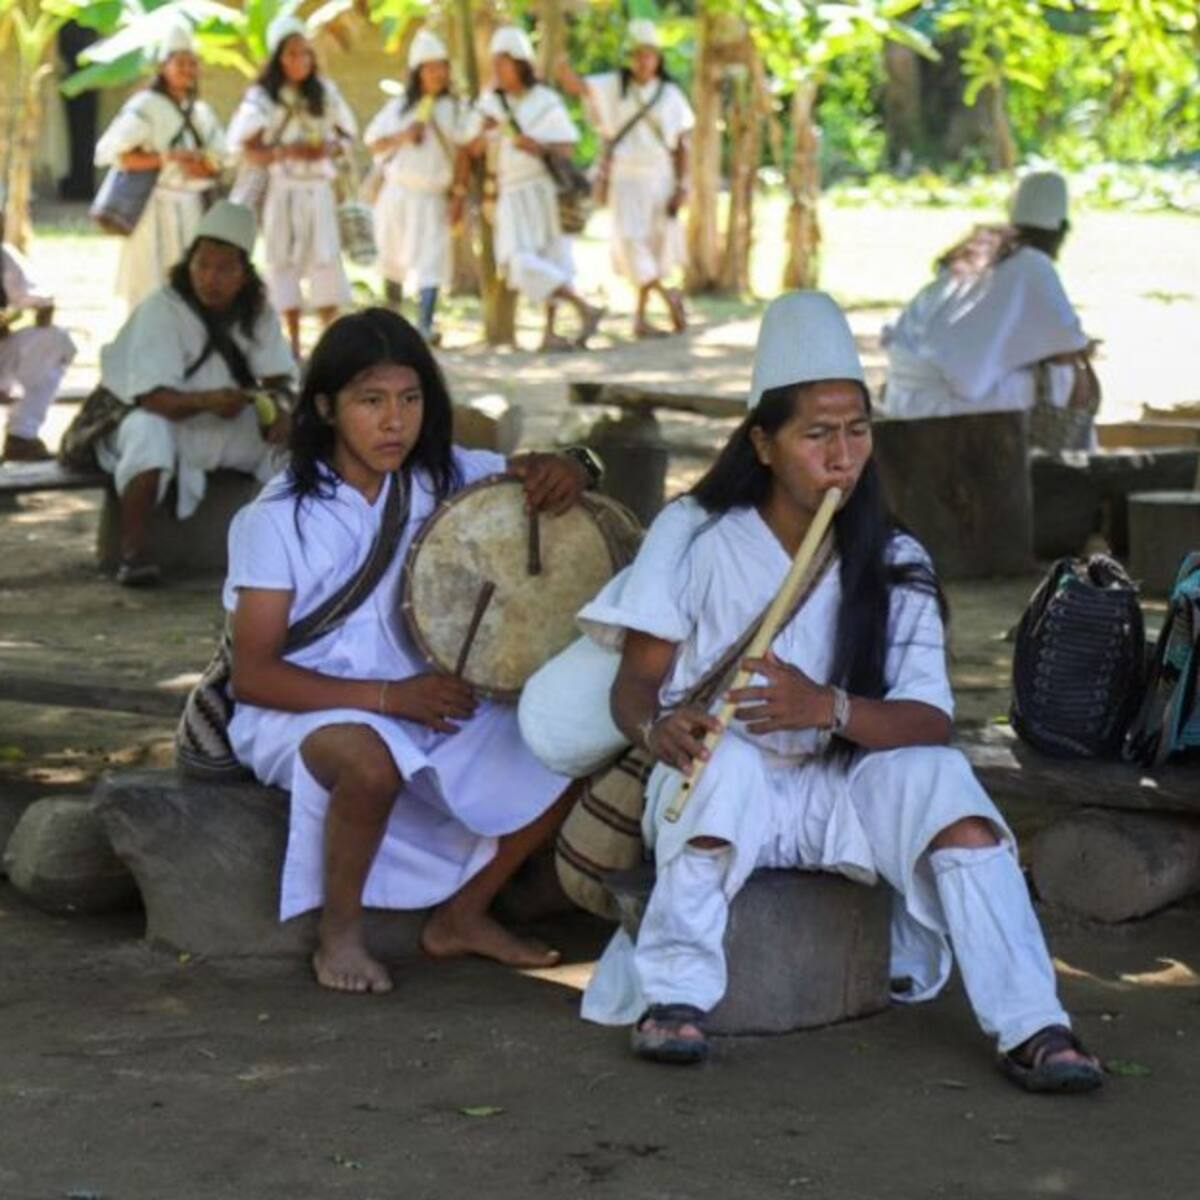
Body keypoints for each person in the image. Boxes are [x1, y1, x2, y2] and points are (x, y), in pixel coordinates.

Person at [576, 291, 1104, 1093]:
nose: (842, 456)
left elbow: (929, 721)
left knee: (948, 789)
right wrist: (658, 730)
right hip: (717, 790)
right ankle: (674, 997)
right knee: (723, 765)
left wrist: (830, 708)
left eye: (857, 431)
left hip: (841, 794)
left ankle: (1033, 1022)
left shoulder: (895, 557)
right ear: (763, 444)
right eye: (817, 434)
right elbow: (634, 687)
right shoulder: (698, 540)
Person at [222, 306, 599, 994]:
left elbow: (541, 473)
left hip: (424, 702)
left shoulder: (442, 477)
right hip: (301, 711)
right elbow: (253, 676)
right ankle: (338, 936)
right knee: (370, 762)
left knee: (572, 734)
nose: (394, 421)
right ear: (326, 408)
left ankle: (463, 914)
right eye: (371, 401)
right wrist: (389, 698)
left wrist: (569, 467)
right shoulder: (276, 520)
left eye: (410, 399)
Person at [94, 201, 296, 587]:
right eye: (202, 265)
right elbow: (152, 398)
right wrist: (207, 401)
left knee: (293, 447)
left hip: (224, 426)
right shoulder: (162, 308)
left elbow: (280, 380)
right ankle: (134, 553)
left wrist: (280, 412)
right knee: (148, 433)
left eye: (224, 269)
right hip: (165, 423)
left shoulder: (258, 312)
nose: (210, 278)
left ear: (244, 274)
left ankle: (283, 554)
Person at [881, 171, 1098, 449]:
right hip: (941, 404)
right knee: (1067, 375)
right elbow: (1068, 347)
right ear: (1063, 229)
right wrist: (1084, 347)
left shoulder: (984, 250)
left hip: (903, 396)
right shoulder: (1033, 264)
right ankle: (1061, 458)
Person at [463, 26, 604, 352]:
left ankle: (550, 332)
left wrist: (535, 146)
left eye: (504, 64)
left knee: (551, 254)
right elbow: (470, 149)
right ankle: (583, 305)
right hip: (509, 192)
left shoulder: (546, 101)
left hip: (544, 190)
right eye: (495, 65)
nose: (499, 71)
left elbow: (567, 146)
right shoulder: (489, 104)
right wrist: (484, 131)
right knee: (516, 260)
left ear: (520, 64)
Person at [228, 15, 358, 359]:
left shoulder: (326, 94)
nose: (300, 60)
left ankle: (330, 345)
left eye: (305, 53)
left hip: (318, 190)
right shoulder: (262, 99)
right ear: (278, 58)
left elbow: (347, 136)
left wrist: (327, 148)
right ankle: (293, 346)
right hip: (282, 191)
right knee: (282, 262)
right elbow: (246, 148)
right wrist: (286, 152)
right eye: (291, 54)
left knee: (326, 261)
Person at [557, 19, 693, 339]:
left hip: (660, 176)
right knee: (631, 242)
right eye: (637, 55)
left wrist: (682, 185)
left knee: (652, 245)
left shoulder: (670, 94)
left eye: (649, 55)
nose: (643, 61)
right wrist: (560, 44)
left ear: (658, 58)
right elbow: (576, 85)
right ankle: (666, 294)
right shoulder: (613, 86)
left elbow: (682, 143)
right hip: (626, 177)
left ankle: (640, 318)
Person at [94, 21, 225, 313]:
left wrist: (202, 165)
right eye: (180, 63)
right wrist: (167, 158)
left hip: (192, 208)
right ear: (163, 66)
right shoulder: (145, 107)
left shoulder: (201, 112)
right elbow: (115, 154)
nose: (187, 70)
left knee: (191, 288)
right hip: (152, 209)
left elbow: (221, 158)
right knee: (148, 285)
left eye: (192, 63)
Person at [364, 29, 473, 345]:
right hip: (397, 192)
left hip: (432, 196)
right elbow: (374, 142)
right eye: (430, 68)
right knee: (391, 255)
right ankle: (390, 323)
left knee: (431, 260)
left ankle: (425, 324)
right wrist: (404, 135)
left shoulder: (456, 108)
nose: (437, 74)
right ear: (418, 72)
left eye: (441, 67)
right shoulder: (399, 107)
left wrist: (458, 195)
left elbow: (464, 152)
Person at [0, 219, 77, 462]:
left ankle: (21, 437)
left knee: (53, 340)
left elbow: (39, 296)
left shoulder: (4, 258)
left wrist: (41, 308)